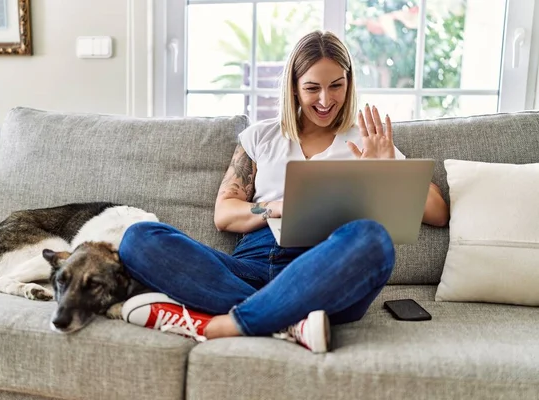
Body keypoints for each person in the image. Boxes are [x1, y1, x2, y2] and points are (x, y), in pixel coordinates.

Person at [118, 30, 449, 353]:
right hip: (250, 269)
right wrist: (272, 207)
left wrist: (387, 170)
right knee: (139, 238)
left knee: (372, 238)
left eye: (336, 86)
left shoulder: (367, 140)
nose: (325, 100)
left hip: (324, 273)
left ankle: (227, 324)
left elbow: (437, 213)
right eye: (312, 88)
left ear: (349, 84)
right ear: (293, 88)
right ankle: (290, 322)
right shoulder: (261, 136)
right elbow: (224, 214)